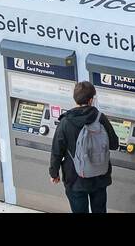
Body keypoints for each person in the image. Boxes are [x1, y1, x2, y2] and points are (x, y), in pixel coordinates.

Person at [47, 80, 120, 213]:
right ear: (91, 100)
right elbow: (114, 144)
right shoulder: (100, 118)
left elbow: (57, 151)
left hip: (75, 178)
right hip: (99, 176)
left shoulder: (65, 122)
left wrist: (54, 173)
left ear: (75, 99)